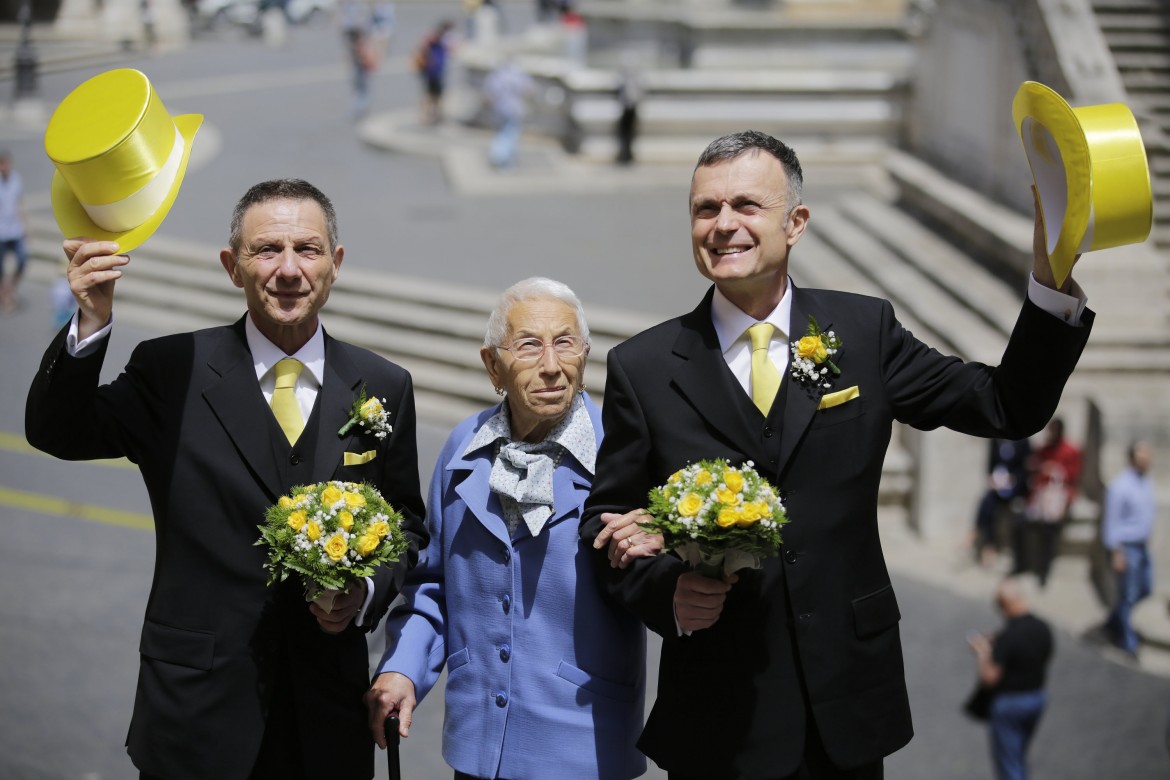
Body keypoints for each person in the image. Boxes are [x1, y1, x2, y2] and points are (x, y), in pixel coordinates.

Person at [579, 130, 1093, 779]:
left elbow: (1005, 405)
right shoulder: (644, 367)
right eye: (706, 209)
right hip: (718, 713)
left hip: (846, 703)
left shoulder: (861, 332)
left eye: (745, 206)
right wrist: (667, 590)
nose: (723, 225)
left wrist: (1051, 285)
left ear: (796, 223)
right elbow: (605, 525)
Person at [25, 179, 428, 779]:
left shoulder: (383, 385)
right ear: (231, 267)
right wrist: (91, 321)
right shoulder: (172, 370)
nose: (288, 269)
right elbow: (60, 432)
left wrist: (364, 592)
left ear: (335, 264)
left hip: (326, 718)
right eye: (266, 250)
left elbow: (408, 526)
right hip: (198, 714)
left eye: (308, 250)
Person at [365, 277, 657, 780]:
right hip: (479, 746)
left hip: (584, 745)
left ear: (585, 356)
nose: (550, 365)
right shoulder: (463, 448)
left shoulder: (623, 454)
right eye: (528, 346)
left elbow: (658, 585)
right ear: (492, 366)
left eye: (565, 343)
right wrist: (402, 667)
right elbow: (433, 584)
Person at [968, 577, 1054, 780]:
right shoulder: (1043, 628)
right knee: (1019, 754)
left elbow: (990, 677)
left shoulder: (1009, 637)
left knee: (1009, 763)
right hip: (1037, 698)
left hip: (1010, 705)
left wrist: (982, 652)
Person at [1102, 440, 1156, 659]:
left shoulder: (1146, 482)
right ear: (1134, 457)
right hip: (1127, 548)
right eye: (1144, 454)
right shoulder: (1120, 486)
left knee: (1145, 589)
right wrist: (1117, 552)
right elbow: (1111, 522)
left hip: (1142, 547)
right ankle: (1128, 643)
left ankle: (1112, 622)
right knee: (1128, 595)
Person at [1014, 417, 1082, 587]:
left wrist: (1066, 504)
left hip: (1056, 503)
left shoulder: (1071, 451)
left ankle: (1043, 572)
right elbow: (1034, 474)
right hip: (1039, 501)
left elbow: (1072, 481)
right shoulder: (1043, 450)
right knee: (1019, 525)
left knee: (1048, 533)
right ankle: (1021, 564)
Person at [970, 438, 1032, 569]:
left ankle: (977, 535)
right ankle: (987, 544)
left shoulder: (1023, 441)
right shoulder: (996, 439)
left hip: (1016, 488)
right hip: (998, 487)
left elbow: (1025, 469)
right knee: (987, 504)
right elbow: (991, 464)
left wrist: (1013, 480)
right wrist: (993, 480)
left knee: (1014, 514)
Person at [483, 56, 534, 170]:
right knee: (511, 134)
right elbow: (528, 89)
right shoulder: (519, 74)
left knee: (500, 133)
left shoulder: (497, 75)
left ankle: (497, 156)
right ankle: (504, 160)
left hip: (500, 108)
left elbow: (490, 93)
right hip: (515, 108)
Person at [0, 149, 28, 314]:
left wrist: (26, 226)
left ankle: (10, 289)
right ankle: (5, 294)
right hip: (1, 232)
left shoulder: (16, 179)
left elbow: (20, 204)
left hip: (15, 230)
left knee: (22, 261)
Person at [416, 20, 455, 124]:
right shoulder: (436, 40)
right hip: (433, 71)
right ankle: (428, 116)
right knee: (431, 94)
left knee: (435, 94)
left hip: (435, 71)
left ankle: (434, 115)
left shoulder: (436, 39)